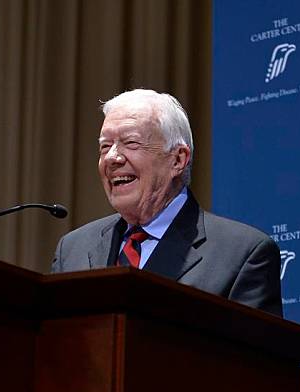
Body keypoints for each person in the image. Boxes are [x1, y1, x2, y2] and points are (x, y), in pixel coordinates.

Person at [51, 89, 283, 316]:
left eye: (131, 143)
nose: (112, 157)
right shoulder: (72, 250)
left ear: (178, 159)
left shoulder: (242, 254)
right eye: (104, 146)